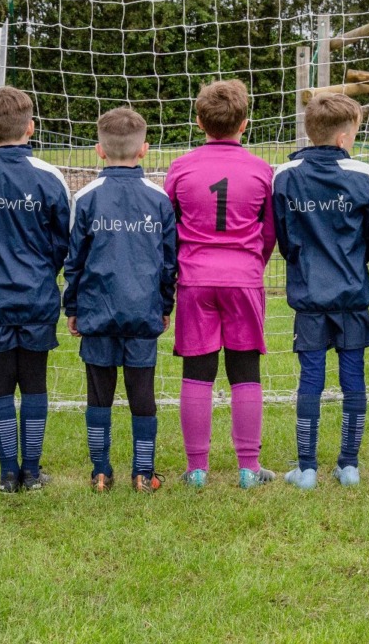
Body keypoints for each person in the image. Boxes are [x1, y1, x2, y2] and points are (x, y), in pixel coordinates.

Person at [164, 79, 277, 489]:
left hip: (195, 280)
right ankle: (248, 469)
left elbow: (168, 226)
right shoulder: (261, 169)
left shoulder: (181, 167)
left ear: (198, 122)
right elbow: (269, 232)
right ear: (245, 124)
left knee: (198, 371)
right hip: (243, 279)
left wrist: (184, 264)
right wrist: (251, 265)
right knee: (245, 369)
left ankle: (197, 471)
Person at [0, 86, 71, 493]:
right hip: (38, 295)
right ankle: (31, 471)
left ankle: (10, 473)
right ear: (31, 127)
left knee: (0, 384)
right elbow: (62, 241)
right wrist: (42, 271)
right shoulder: (49, 177)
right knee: (35, 382)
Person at [64, 107, 177, 493]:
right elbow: (168, 263)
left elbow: (74, 260)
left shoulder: (86, 197)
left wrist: (73, 307)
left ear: (100, 150)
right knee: (141, 394)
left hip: (98, 312)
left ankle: (101, 471)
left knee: (99, 394)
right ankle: (143, 473)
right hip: (142, 312)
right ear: (144, 150)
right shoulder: (159, 199)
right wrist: (164, 306)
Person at [272, 94, 369, 489]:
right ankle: (348, 466)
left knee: (310, 378)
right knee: (354, 378)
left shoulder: (286, 175)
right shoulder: (363, 175)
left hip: (311, 293)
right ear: (345, 135)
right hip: (351, 293)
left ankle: (308, 468)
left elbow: (284, 238)